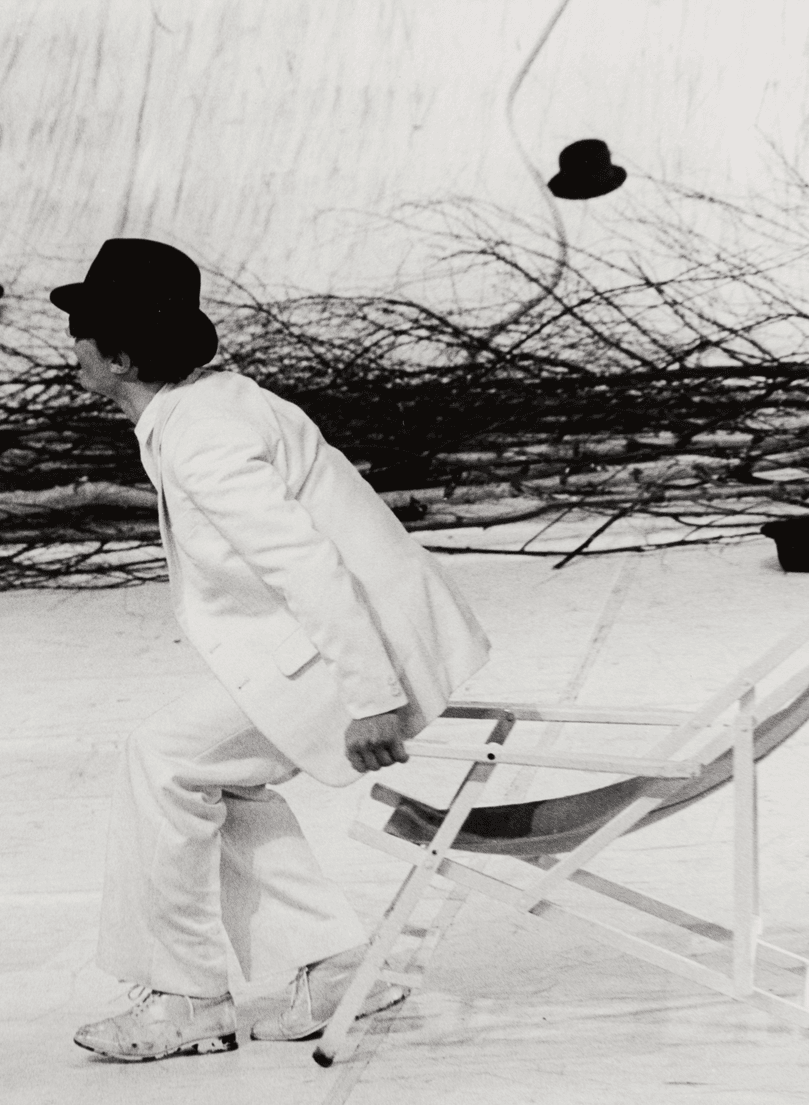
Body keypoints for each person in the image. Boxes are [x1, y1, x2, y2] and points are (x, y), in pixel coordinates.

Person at [52, 239, 490, 1061]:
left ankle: (183, 998)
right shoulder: (208, 406)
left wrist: (371, 695)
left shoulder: (202, 436)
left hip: (360, 653)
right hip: (356, 639)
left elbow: (304, 563)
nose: (70, 346)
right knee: (213, 777)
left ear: (117, 353)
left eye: (80, 330)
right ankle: (333, 962)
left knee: (162, 762)